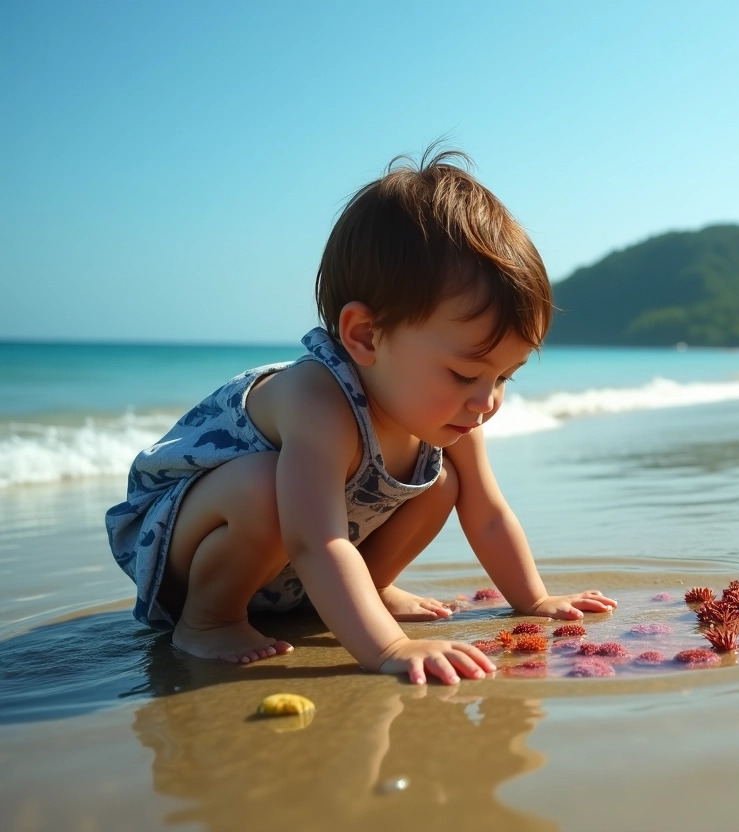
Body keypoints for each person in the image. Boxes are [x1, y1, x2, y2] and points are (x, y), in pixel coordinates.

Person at [105, 150, 617, 684]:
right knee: (265, 484)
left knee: (444, 481)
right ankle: (209, 622)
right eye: (466, 375)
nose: (486, 400)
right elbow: (316, 540)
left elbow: (487, 514)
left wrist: (533, 599)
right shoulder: (315, 398)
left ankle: (365, 591)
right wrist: (389, 647)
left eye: (504, 377)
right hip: (185, 551)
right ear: (365, 336)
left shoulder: (453, 415)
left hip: (296, 570)